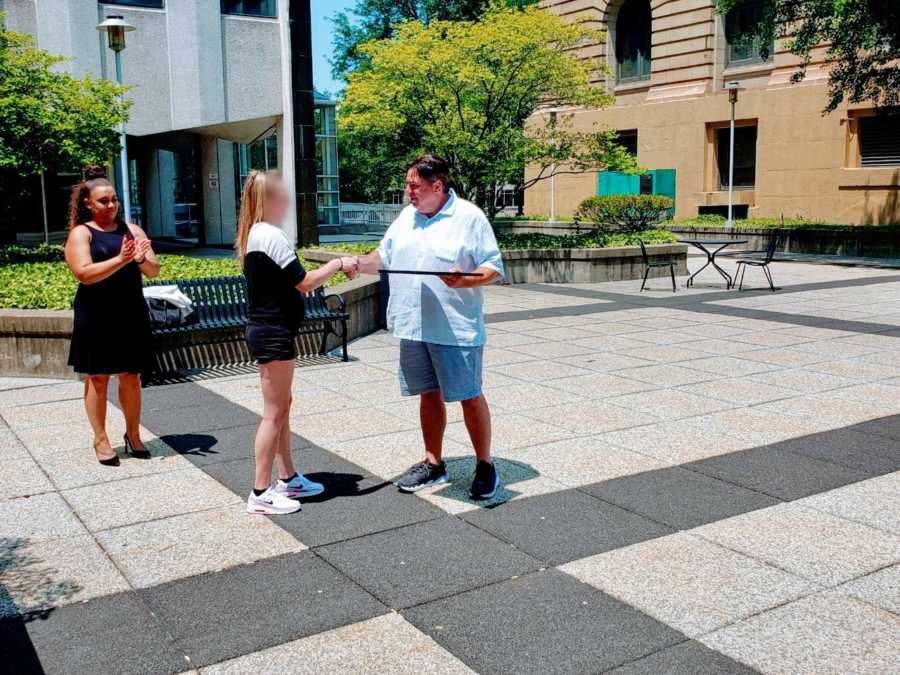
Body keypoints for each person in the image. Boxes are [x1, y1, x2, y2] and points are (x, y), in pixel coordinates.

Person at [354, 154, 505, 499]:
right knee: (428, 393)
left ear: (437, 186)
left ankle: (485, 465)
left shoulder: (469, 217)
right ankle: (433, 463)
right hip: (414, 325)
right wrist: (357, 264)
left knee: (468, 395)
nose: (408, 191)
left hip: (455, 327)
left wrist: (463, 280)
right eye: (408, 184)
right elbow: (383, 257)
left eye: (414, 186)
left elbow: (492, 267)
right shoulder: (407, 217)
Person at [236, 170, 360, 515]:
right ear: (270, 199)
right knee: (274, 413)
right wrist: (338, 263)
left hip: (273, 329)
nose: (288, 199)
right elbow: (304, 283)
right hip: (272, 331)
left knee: (282, 408)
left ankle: (287, 478)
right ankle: (260, 491)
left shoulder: (258, 234)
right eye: (283, 193)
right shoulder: (271, 236)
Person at [65, 165, 160, 466]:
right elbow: (84, 274)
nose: (111, 205)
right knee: (98, 378)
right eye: (104, 201)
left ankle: (133, 435)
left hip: (130, 313)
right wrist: (121, 260)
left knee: (131, 376)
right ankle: (101, 439)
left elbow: (153, 270)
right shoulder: (82, 233)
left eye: (115, 199)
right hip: (96, 316)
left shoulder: (132, 230)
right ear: (88, 204)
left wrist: (142, 259)